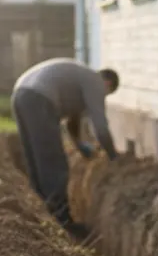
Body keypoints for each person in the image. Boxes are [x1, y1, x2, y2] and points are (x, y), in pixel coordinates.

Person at [10, 58, 120, 226]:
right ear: (108, 84)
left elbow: (71, 123)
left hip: (20, 94)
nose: (103, 97)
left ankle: (42, 214)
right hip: (40, 98)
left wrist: (81, 148)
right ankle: (61, 219)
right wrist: (113, 155)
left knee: (36, 158)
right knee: (54, 162)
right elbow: (100, 127)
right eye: (107, 94)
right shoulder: (95, 82)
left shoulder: (78, 80)